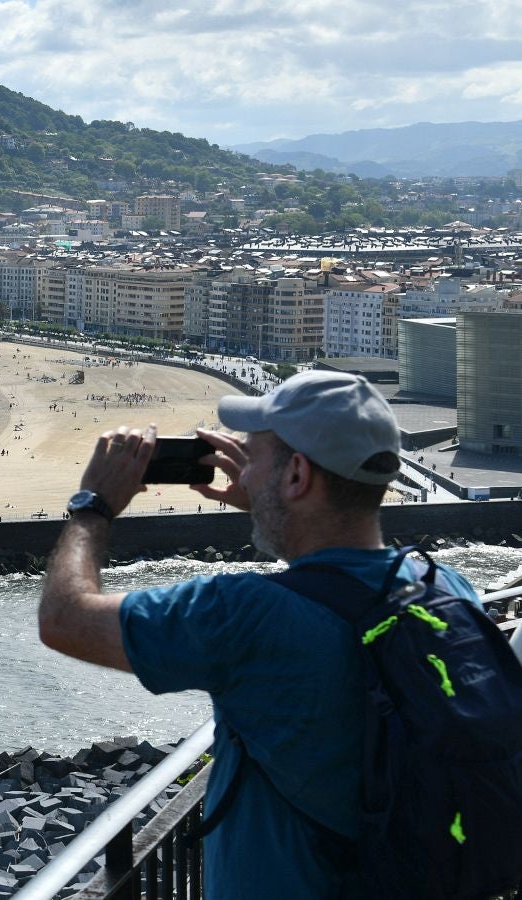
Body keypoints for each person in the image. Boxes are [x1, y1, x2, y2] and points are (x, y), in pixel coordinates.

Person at [38, 371, 481, 898]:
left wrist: (94, 504)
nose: (243, 475)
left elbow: (64, 619)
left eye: (255, 458)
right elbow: (341, 579)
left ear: (296, 474)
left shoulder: (245, 614)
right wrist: (278, 509)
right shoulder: (444, 589)